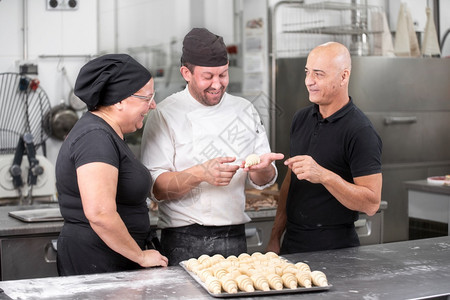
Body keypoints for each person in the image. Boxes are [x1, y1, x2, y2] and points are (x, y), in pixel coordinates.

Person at [140, 28, 284, 266]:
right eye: (208, 77)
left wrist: (263, 168)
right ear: (186, 73)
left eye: (223, 75)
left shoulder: (244, 110)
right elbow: (156, 188)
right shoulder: (165, 113)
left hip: (235, 236)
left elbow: (262, 179)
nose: (217, 84)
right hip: (183, 239)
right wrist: (201, 174)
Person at [55, 54, 168, 276]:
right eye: (147, 98)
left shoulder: (105, 133)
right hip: (97, 261)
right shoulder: (95, 137)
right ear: (119, 100)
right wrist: (140, 256)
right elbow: (99, 212)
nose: (153, 105)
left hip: (109, 259)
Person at [267, 42, 382, 254]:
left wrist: (323, 175)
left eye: (318, 74)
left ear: (344, 76)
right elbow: (290, 180)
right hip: (292, 242)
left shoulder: (360, 130)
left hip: (336, 247)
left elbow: (371, 204)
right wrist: (275, 235)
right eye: (307, 72)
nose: (309, 81)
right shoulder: (301, 118)